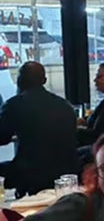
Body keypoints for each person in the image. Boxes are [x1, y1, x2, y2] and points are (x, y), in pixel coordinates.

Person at [0, 62, 78, 197]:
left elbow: (2, 137)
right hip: (66, 171)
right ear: (44, 81)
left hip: (31, 172)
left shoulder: (15, 104)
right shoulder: (64, 105)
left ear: (19, 81)